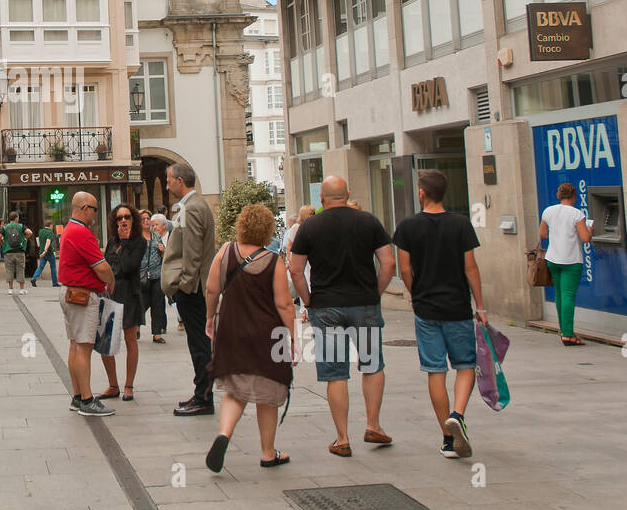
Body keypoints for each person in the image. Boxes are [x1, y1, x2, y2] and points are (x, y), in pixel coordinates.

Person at [288, 175, 395, 457]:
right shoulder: (368, 221)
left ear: (321, 199)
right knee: (372, 365)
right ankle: (373, 425)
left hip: (326, 306)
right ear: (347, 194)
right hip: (364, 303)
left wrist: (309, 301)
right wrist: (376, 291)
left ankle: (342, 438)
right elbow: (388, 262)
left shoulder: (309, 226)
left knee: (336, 373)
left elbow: (295, 269)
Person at [393, 169, 487, 459]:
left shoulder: (407, 227)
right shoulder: (461, 225)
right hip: (457, 306)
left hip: (427, 308)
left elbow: (405, 269)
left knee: (435, 369)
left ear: (421, 193)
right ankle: (457, 414)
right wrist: (480, 306)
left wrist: (413, 293)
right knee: (465, 364)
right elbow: (470, 267)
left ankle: (447, 438)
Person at [204, 204, 297, 472]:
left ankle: (224, 434)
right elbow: (284, 305)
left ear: (241, 225)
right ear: (268, 230)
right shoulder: (274, 262)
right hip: (266, 334)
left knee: (235, 389)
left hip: (231, 329)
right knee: (267, 392)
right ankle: (268, 452)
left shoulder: (225, 252)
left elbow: (212, 290)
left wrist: (211, 317)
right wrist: (291, 336)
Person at [161, 163, 218, 416]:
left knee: (199, 345)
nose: (167, 185)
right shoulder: (193, 206)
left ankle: (204, 398)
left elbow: (193, 252)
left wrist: (184, 285)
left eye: (169, 180)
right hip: (194, 287)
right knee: (199, 343)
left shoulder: (192, 208)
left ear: (181, 181)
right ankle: (201, 395)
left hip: (193, 289)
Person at [58, 192, 116, 416]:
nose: (95, 213)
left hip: (70, 293)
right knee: (84, 347)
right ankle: (88, 399)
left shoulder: (69, 230)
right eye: (94, 208)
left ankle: (77, 396)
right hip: (82, 295)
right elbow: (101, 266)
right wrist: (110, 282)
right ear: (84, 208)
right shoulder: (81, 232)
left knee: (75, 345)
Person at [99, 204, 146, 402]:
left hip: (130, 296)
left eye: (127, 217)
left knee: (130, 340)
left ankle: (128, 385)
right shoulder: (111, 241)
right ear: (114, 221)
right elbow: (105, 264)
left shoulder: (139, 242)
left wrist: (126, 242)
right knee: (105, 342)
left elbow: (128, 267)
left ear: (133, 219)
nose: (123, 221)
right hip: (110, 295)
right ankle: (113, 385)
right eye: (119, 218)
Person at [540, 181, 593, 346]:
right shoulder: (576, 214)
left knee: (559, 294)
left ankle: (564, 330)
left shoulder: (548, 211)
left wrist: (558, 235)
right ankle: (568, 335)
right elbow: (585, 238)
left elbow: (543, 233)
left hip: (553, 259)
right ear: (574, 196)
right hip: (571, 260)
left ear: (559, 195)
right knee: (568, 295)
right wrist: (590, 229)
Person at [140, 211, 168, 344]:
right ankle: (136, 326)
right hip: (142, 275)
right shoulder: (136, 237)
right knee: (142, 303)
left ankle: (156, 333)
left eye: (148, 218)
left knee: (157, 304)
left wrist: (164, 250)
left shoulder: (156, 235)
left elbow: (164, 253)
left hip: (157, 274)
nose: (146, 221)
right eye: (143, 219)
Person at [1, 211, 32, 295]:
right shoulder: (21, 226)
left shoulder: (5, 227)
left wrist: (2, 243)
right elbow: (29, 232)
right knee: (20, 269)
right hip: (20, 251)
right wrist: (25, 239)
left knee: (9, 270)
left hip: (8, 252)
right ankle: (21, 289)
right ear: (16, 218)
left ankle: (10, 289)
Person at [31, 219, 60, 288]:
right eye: (52, 226)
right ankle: (55, 283)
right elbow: (48, 241)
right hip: (49, 252)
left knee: (40, 267)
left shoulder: (40, 231)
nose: (52, 227)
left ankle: (34, 278)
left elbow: (38, 241)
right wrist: (45, 250)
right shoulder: (50, 232)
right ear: (50, 226)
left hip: (41, 253)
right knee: (53, 268)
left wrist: (41, 250)